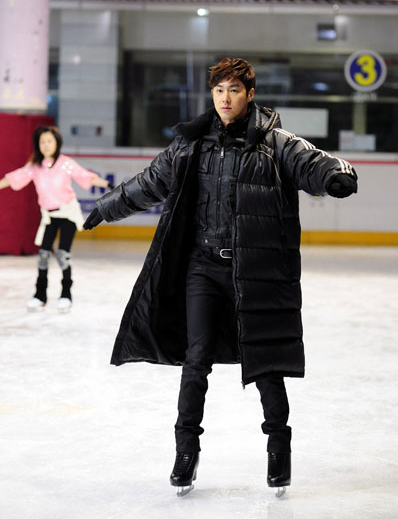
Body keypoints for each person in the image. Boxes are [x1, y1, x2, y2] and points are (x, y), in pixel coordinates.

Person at [83, 58, 358, 496]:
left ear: (250, 94)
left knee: (266, 365)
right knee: (196, 361)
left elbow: (313, 163)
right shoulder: (192, 143)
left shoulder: (275, 143)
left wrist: (335, 176)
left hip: (254, 271)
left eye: (234, 90)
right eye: (219, 90)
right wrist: (105, 207)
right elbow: (150, 182)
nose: (225, 98)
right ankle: (185, 452)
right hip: (203, 268)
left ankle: (278, 449)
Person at [0, 125, 111, 313]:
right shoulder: (34, 167)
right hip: (49, 216)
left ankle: (66, 294)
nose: (46, 145)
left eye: (49, 141)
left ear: (57, 143)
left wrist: (109, 184)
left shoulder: (66, 163)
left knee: (62, 255)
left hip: (68, 213)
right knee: (43, 256)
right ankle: (40, 295)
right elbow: (13, 179)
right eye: (42, 142)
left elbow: (86, 177)